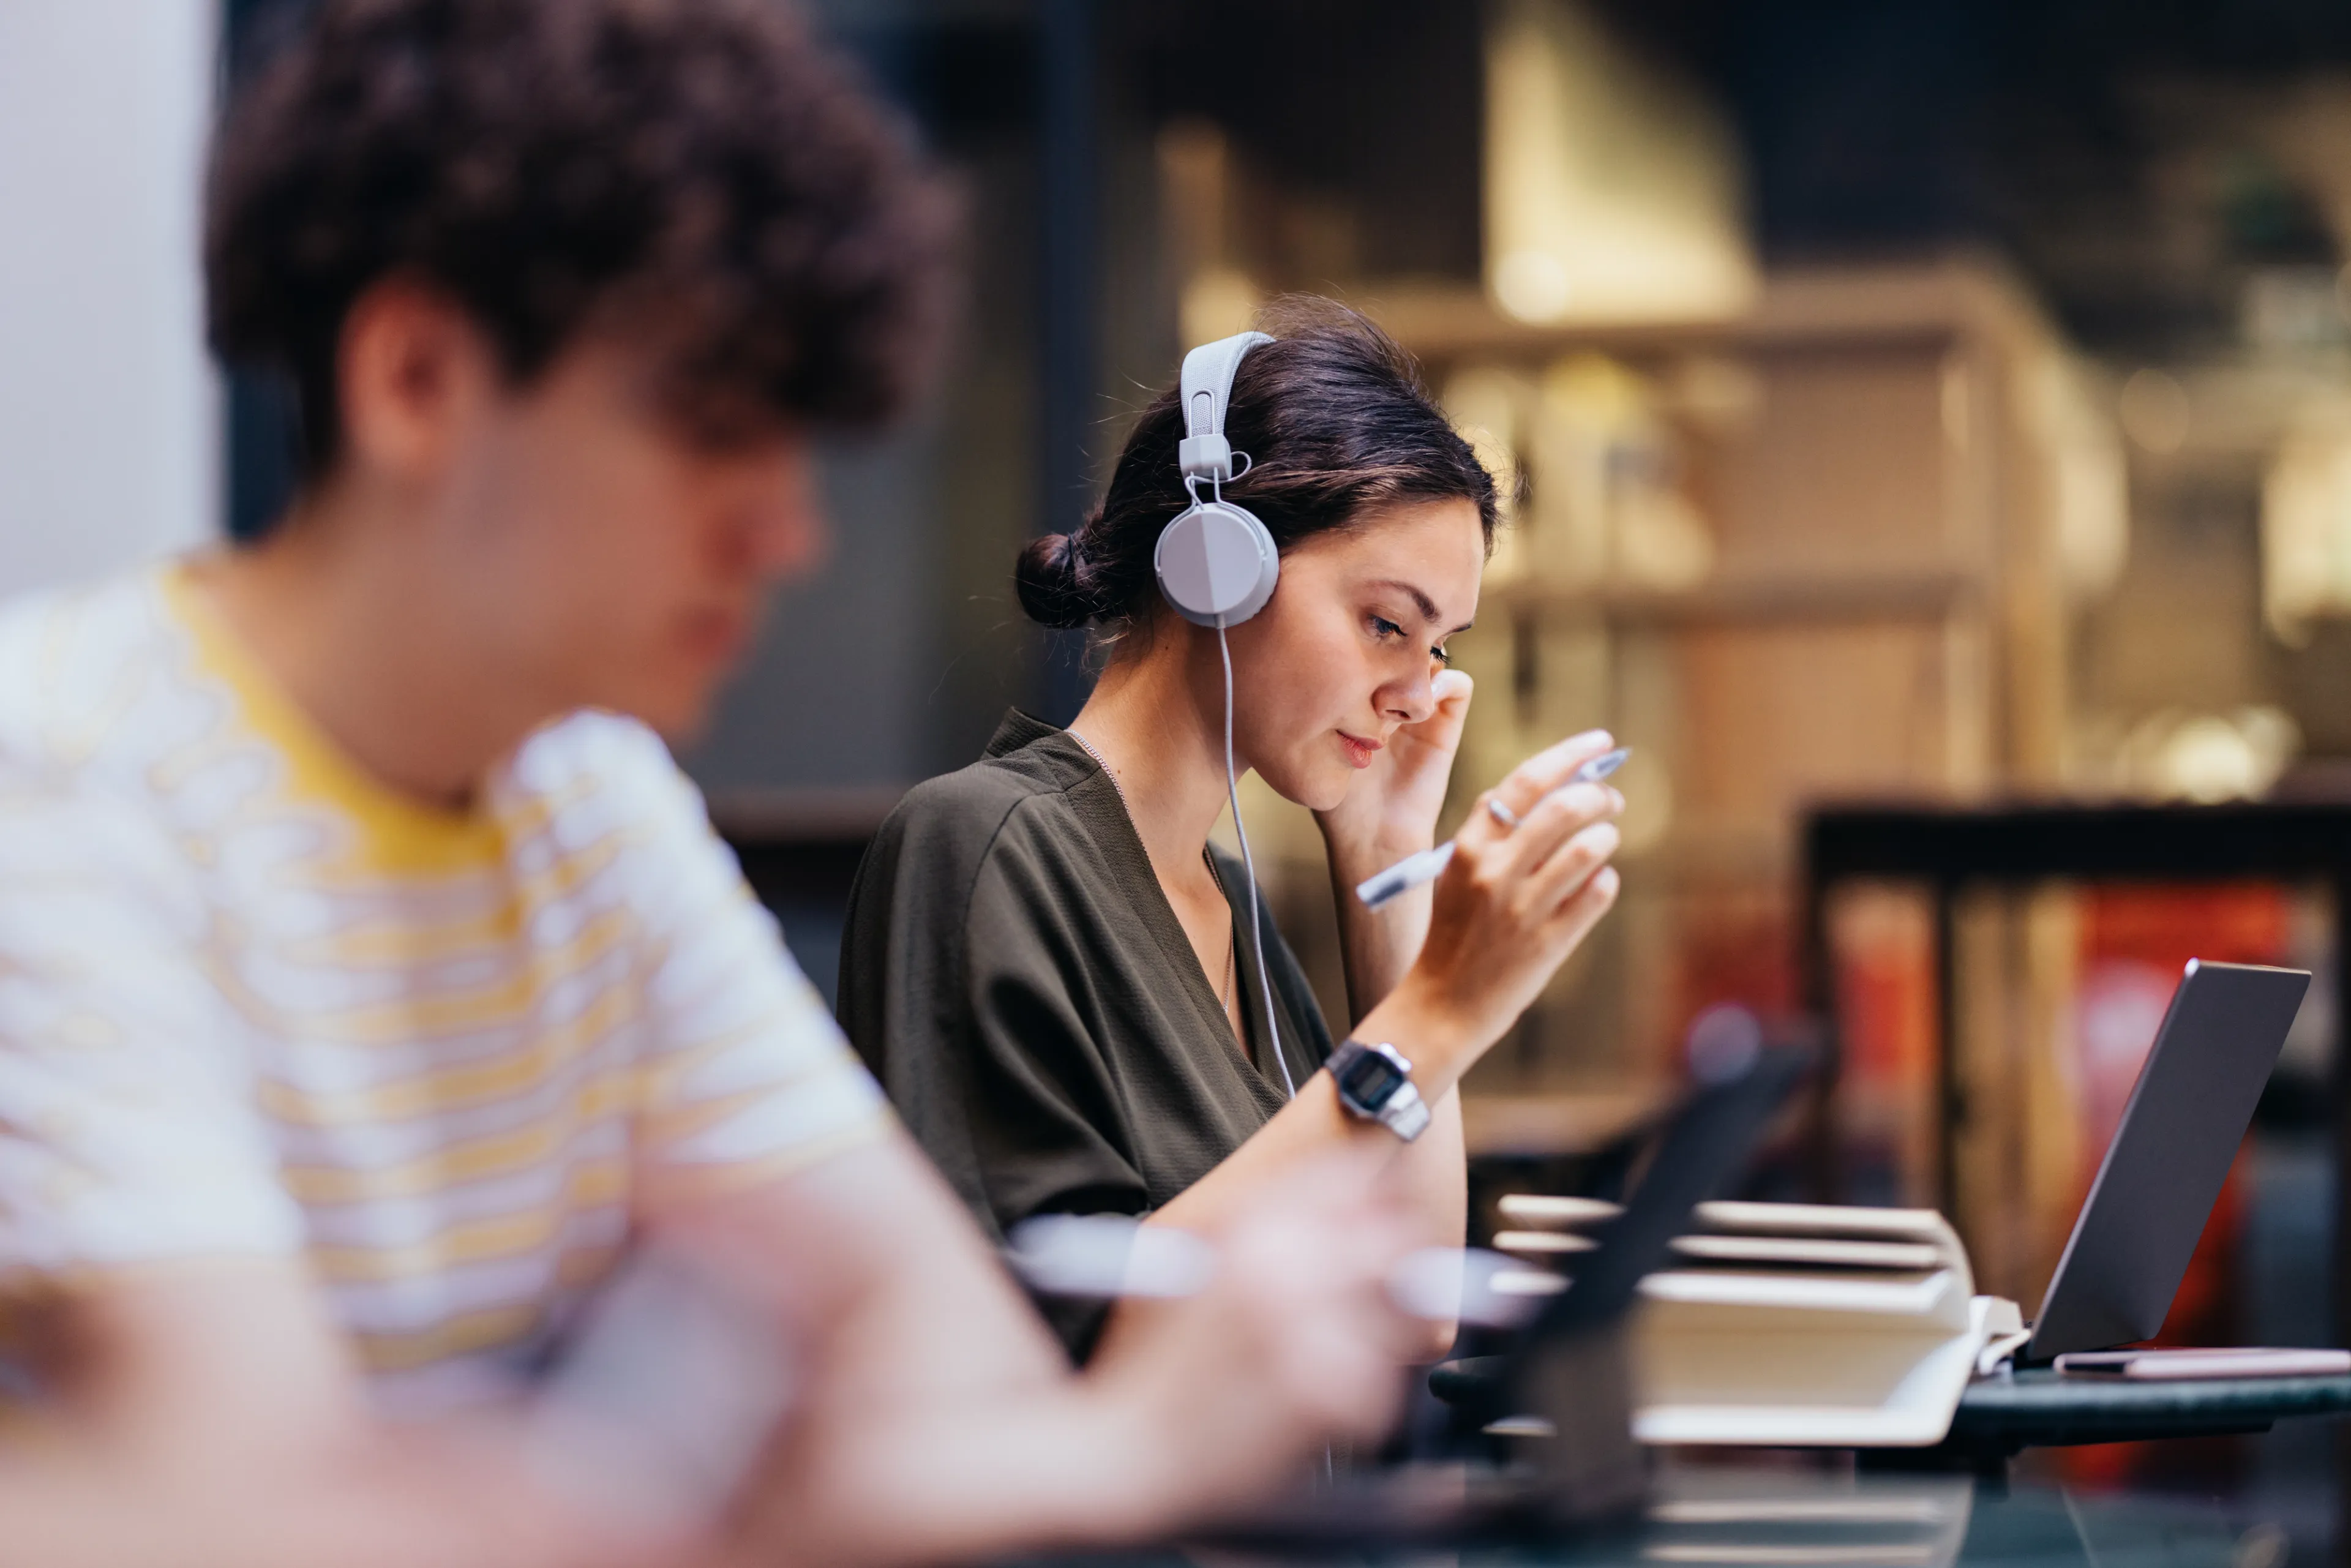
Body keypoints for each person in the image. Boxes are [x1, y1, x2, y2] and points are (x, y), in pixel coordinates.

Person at [0, 4, 1427, 1565]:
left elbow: (942, 1362)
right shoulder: (59, 786)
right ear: (415, 376)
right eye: (713, 427)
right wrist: (1111, 1445)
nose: (788, 533)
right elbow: (254, 1515)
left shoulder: (586, 801)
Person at [841, 299, 1625, 1362]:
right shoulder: (980, 846)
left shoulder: (1233, 908)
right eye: (1387, 624)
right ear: (1219, 562)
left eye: (1439, 647)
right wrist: (1437, 1015)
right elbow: (1058, 1350)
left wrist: (1387, 869)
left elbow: (1420, 1310)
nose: (1415, 692)